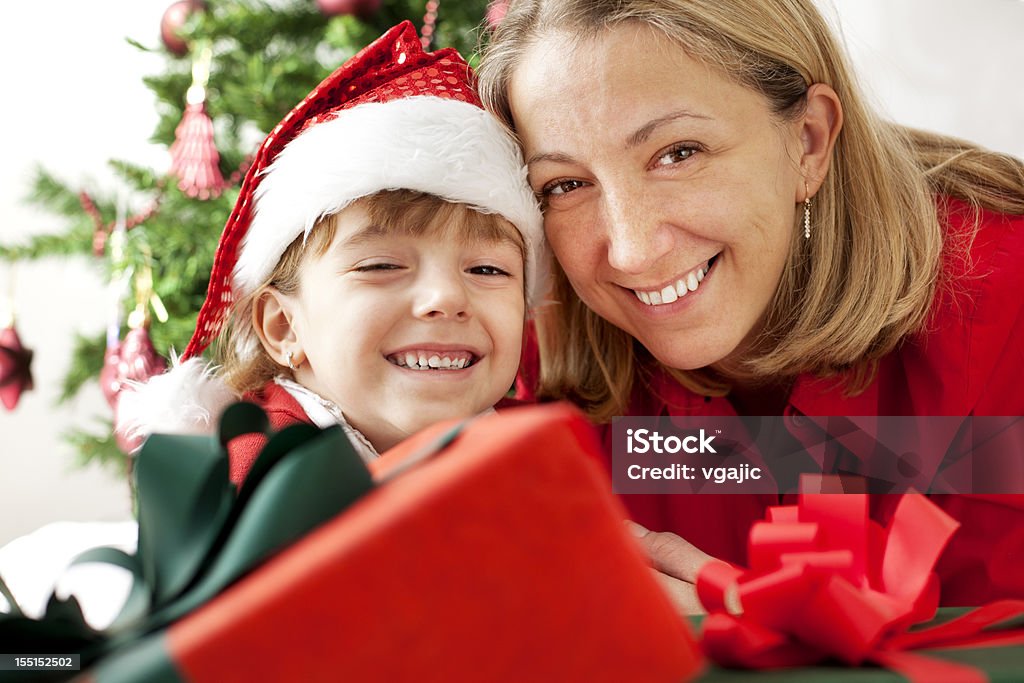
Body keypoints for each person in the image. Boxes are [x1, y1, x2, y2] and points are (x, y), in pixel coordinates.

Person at [477, 0, 1024, 608]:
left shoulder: (1004, 307)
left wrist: (726, 635)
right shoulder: (518, 346)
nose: (631, 252)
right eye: (566, 185)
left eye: (679, 153)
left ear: (808, 141)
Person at [119, 21, 548, 485]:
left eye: (487, 269)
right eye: (381, 266)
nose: (445, 297)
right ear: (284, 327)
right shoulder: (264, 473)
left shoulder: (531, 441)